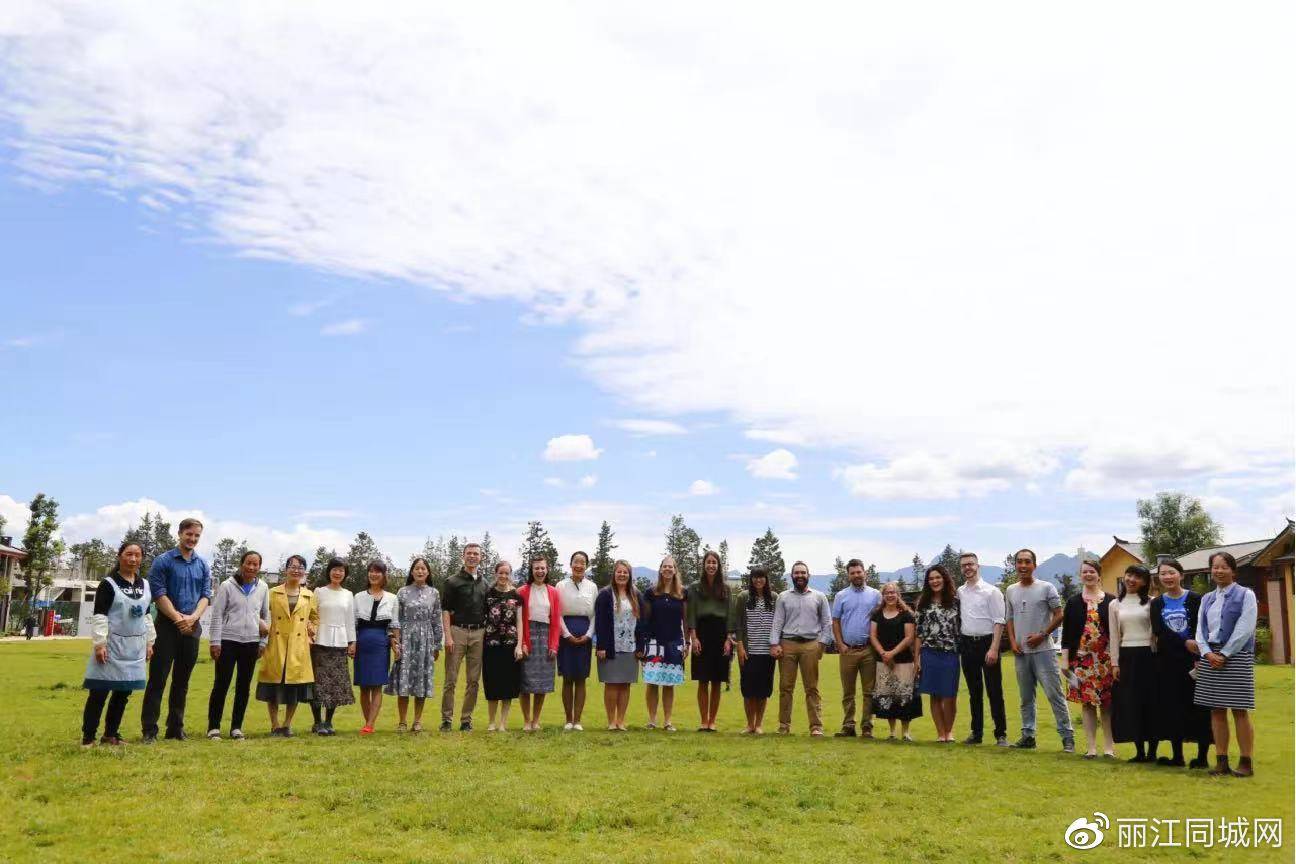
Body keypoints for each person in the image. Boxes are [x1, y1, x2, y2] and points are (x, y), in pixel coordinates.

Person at [141, 517, 211, 742]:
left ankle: (175, 729)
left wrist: (193, 618)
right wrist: (177, 617)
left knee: (182, 682)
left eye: (197, 535)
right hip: (167, 627)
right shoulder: (163, 561)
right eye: (189, 534)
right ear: (180, 533)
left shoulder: (202, 564)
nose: (192, 539)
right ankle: (150, 730)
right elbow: (158, 593)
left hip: (192, 627)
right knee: (158, 680)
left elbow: (206, 595)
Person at [81, 541, 156, 746]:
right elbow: (100, 615)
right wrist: (100, 643)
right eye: (128, 554)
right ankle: (88, 737)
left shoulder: (145, 585)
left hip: (134, 647)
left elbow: (147, 615)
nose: (133, 559)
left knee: (123, 692)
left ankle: (111, 734)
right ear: (120, 555)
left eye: (137, 555)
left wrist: (150, 641)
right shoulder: (109, 584)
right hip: (111, 645)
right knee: (99, 692)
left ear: (141, 558)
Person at [1192, 551, 1257, 777]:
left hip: (1237, 656)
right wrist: (1207, 653)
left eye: (1223, 567)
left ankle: (1246, 762)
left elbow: (1246, 627)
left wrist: (1226, 653)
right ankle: (1221, 760)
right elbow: (1200, 630)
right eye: (1215, 567)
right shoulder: (1206, 598)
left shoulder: (1245, 595)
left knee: (1240, 710)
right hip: (1210, 655)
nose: (1219, 571)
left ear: (1233, 570)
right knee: (1216, 710)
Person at [1005, 548, 1074, 752]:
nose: (1023, 566)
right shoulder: (1010, 590)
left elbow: (1059, 614)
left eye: (1027, 562)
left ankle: (1067, 737)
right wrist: (1012, 641)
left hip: (1044, 651)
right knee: (1026, 698)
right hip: (1021, 653)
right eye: (1019, 562)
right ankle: (1028, 736)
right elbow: (1009, 618)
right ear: (1015, 565)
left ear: (1034, 565)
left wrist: (1042, 635)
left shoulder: (1046, 587)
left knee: (1055, 695)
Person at [1149, 558, 1212, 768]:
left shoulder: (1196, 599)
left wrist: (1198, 655)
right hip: (1168, 662)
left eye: (1171, 573)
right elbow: (1159, 631)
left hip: (1196, 662)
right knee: (1172, 707)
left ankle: (1202, 757)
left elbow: (1203, 628)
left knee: (1200, 708)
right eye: (1163, 573)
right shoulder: (1157, 603)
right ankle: (1178, 756)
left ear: (1181, 575)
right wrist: (1185, 641)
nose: (1167, 577)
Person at [206, 550, 270, 740]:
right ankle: (213, 727)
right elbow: (217, 614)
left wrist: (263, 642)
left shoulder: (263, 588)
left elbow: (266, 615)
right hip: (228, 642)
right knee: (221, 684)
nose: (251, 567)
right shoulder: (227, 586)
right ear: (242, 564)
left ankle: (236, 727)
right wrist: (215, 642)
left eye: (255, 564)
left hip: (251, 643)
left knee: (243, 686)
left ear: (259, 567)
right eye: (248, 563)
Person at [256, 554, 318, 737]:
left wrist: (312, 633)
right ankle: (274, 724)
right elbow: (261, 613)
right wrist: (263, 629)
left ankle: (287, 724)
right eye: (293, 566)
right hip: (276, 643)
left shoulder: (309, 595)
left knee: (295, 687)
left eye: (300, 567)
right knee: (272, 686)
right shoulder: (273, 592)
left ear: (304, 572)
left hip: (298, 646)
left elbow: (315, 617)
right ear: (286, 569)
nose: (296, 570)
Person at [770, 560, 832, 736]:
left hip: (811, 644)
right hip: (787, 644)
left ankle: (816, 726)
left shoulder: (819, 597)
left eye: (803, 573)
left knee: (812, 688)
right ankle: (784, 726)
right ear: (792, 576)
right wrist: (774, 643)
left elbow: (826, 622)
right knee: (785, 688)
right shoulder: (783, 597)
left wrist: (822, 644)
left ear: (808, 575)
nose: (800, 576)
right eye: (796, 573)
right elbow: (777, 622)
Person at [1061, 559, 1115, 759]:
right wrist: (1065, 662)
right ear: (1080, 575)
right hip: (1081, 661)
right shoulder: (1074, 602)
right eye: (1084, 572)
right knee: (1087, 704)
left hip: (1106, 661)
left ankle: (1109, 747)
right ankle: (1091, 747)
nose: (1088, 575)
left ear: (1099, 575)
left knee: (1108, 704)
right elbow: (1066, 635)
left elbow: (1117, 632)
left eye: (1091, 571)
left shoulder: (1111, 601)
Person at [386, 557, 444, 732]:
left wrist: (436, 646)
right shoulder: (402, 592)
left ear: (428, 572)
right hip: (406, 638)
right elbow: (395, 618)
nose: (420, 571)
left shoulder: (434, 593)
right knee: (403, 680)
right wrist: (396, 642)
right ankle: (402, 721)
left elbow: (436, 620)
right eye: (417, 568)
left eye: (423, 569)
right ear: (412, 571)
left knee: (421, 680)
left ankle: (417, 721)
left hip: (426, 641)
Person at [956, 553, 1008, 746]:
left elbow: (999, 621)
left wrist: (994, 649)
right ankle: (976, 733)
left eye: (970, 564)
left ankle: (1000, 734)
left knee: (995, 691)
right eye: (963, 565)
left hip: (988, 643)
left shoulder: (991, 591)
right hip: (968, 644)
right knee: (974, 692)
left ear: (978, 566)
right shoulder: (960, 592)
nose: (967, 568)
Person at [1110, 564, 1158, 762]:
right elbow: (1114, 636)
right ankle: (1139, 751)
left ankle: (1153, 752)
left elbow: (1156, 633)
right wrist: (1115, 663)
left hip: (1149, 655)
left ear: (1145, 582)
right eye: (1129, 574)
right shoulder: (1115, 604)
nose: (1131, 579)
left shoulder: (1152, 603)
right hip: (1127, 656)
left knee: (1151, 703)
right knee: (1132, 703)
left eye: (1137, 577)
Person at [831, 558, 882, 738]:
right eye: (852, 573)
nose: (856, 575)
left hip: (869, 649)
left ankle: (867, 727)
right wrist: (840, 644)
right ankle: (848, 726)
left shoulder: (876, 595)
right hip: (848, 650)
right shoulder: (841, 596)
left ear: (864, 572)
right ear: (848, 576)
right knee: (848, 692)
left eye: (859, 572)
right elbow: (835, 621)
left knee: (869, 691)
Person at [440, 542, 487, 732]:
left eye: (476, 554)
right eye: (469, 553)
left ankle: (466, 720)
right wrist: (448, 636)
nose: (472, 556)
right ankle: (446, 719)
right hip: (457, 632)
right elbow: (445, 610)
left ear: (480, 557)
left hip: (478, 633)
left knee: (473, 680)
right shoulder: (452, 581)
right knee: (451, 679)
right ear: (463, 555)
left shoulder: (485, 583)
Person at [687, 549, 735, 732]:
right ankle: (703, 721)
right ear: (703, 564)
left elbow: (730, 614)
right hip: (702, 634)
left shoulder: (726, 589)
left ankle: (712, 721)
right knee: (702, 680)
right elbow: (690, 613)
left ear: (719, 566)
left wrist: (728, 639)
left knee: (716, 680)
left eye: (714, 562)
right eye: (708, 562)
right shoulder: (694, 588)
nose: (711, 565)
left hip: (721, 635)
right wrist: (694, 637)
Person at [638, 556, 688, 731]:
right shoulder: (651, 593)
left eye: (671, 567)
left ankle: (667, 721)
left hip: (674, 642)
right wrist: (642, 644)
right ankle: (652, 720)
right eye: (665, 566)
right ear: (660, 569)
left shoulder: (683, 593)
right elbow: (644, 618)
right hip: (653, 642)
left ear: (675, 570)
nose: (667, 569)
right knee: (652, 683)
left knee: (669, 684)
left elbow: (686, 620)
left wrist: (687, 642)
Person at [308, 558, 355, 736]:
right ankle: (317, 722)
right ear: (329, 571)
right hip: (320, 641)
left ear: (345, 574)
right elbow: (312, 615)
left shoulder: (348, 594)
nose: (338, 573)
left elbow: (350, 621)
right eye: (335, 569)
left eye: (341, 570)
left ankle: (328, 721)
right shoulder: (319, 592)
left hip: (340, 643)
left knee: (335, 683)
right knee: (318, 683)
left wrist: (352, 642)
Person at [869, 582, 922, 740]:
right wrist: (883, 653)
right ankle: (892, 732)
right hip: (883, 661)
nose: (890, 595)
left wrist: (892, 653)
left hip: (904, 661)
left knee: (904, 696)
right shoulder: (877, 614)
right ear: (883, 596)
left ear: (898, 595)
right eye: (887, 593)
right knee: (888, 696)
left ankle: (905, 732)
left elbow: (909, 638)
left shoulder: (907, 614)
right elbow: (873, 635)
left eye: (893, 592)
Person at [914, 565, 960, 742]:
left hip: (951, 653)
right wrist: (916, 658)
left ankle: (949, 731)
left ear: (945, 579)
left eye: (938, 578)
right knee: (935, 694)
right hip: (929, 653)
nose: (935, 581)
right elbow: (919, 633)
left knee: (950, 695)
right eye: (931, 579)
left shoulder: (956, 601)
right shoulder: (923, 604)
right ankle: (941, 733)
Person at [732, 567, 779, 734]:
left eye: (761, 577)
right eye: (755, 577)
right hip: (748, 651)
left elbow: (778, 623)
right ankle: (749, 724)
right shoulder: (743, 597)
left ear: (766, 579)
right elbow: (738, 624)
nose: (758, 580)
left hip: (767, 652)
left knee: (763, 690)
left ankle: (759, 724)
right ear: (751, 580)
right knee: (748, 690)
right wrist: (740, 645)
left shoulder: (774, 598)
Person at [353, 560, 397, 735]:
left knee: (377, 685)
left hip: (381, 643)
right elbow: (353, 623)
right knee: (364, 685)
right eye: (371, 571)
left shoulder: (392, 598)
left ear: (384, 575)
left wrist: (396, 644)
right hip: (362, 641)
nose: (374, 574)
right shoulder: (358, 597)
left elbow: (394, 625)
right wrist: (352, 643)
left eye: (378, 571)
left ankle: (370, 724)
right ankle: (367, 722)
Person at [594, 559, 639, 731]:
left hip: (630, 647)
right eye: (619, 572)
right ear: (614, 574)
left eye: (625, 572)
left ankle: (621, 721)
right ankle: (611, 721)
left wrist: (640, 646)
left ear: (629, 575)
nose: (622, 575)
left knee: (625, 684)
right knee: (611, 683)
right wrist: (601, 646)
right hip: (610, 647)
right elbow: (600, 622)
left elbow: (641, 622)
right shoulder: (605, 594)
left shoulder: (635, 594)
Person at [518, 556, 562, 731]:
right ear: (532, 570)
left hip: (546, 638)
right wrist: (522, 643)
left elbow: (556, 621)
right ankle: (526, 720)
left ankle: (536, 720)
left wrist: (553, 645)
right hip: (528, 637)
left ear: (547, 569)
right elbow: (519, 620)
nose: (540, 571)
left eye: (543, 568)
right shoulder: (522, 591)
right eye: (537, 568)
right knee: (525, 682)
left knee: (542, 684)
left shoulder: (553, 592)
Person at [557, 550, 598, 731]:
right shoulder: (560, 585)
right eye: (576, 562)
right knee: (567, 678)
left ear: (586, 566)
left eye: (583, 562)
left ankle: (578, 721)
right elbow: (557, 613)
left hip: (585, 635)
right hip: (565, 635)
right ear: (571, 564)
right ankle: (568, 720)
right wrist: (566, 634)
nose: (579, 565)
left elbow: (595, 615)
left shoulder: (592, 586)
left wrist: (589, 635)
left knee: (581, 678)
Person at [482, 560, 524, 731]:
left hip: (510, 644)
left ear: (510, 575)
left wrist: (519, 645)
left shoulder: (516, 596)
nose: (504, 576)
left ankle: (502, 724)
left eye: (507, 573)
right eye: (501, 573)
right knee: (492, 684)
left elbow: (520, 622)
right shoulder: (488, 594)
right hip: (491, 644)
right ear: (496, 574)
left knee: (508, 685)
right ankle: (491, 722)